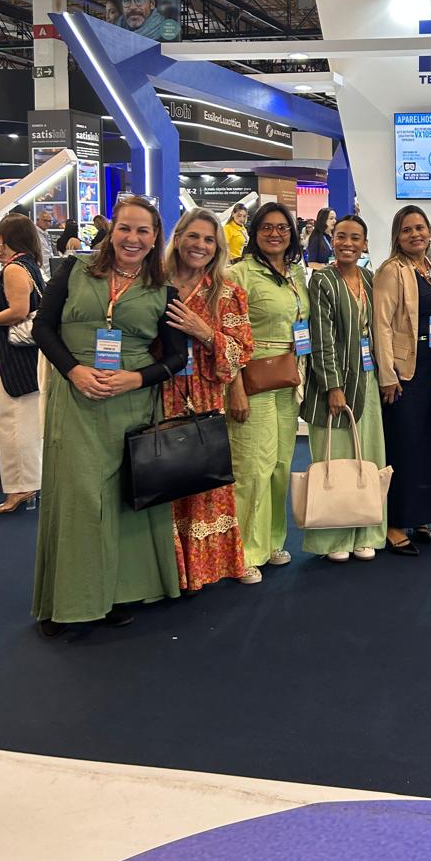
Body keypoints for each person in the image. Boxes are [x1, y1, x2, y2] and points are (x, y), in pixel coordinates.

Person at [31, 196, 187, 636]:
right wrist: (73, 370)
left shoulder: (164, 290)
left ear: (155, 238)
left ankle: (115, 593)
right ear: (110, 230)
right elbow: (43, 327)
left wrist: (135, 379)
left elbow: (177, 357)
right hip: (76, 397)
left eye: (143, 231)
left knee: (123, 502)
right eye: (125, 228)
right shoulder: (74, 270)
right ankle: (66, 601)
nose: (132, 238)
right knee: (76, 498)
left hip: (131, 402)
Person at [162, 210, 253, 591]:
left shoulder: (227, 292)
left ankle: (202, 571)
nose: (200, 245)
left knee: (203, 481)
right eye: (193, 236)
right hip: (156, 395)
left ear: (218, 247)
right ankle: (163, 574)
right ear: (178, 237)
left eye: (209, 239)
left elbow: (240, 351)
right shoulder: (153, 284)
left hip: (203, 397)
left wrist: (203, 331)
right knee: (157, 476)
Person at [229, 204, 309, 582]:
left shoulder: (295, 274)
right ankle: (244, 550)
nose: (275, 234)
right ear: (254, 232)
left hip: (287, 379)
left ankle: (273, 541)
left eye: (282, 228)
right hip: (253, 379)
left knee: (279, 465)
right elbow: (227, 335)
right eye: (266, 227)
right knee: (251, 468)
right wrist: (235, 387)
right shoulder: (239, 274)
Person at [302, 215, 387, 561]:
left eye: (355, 237)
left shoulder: (369, 278)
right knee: (334, 459)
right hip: (334, 385)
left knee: (367, 456)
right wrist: (332, 386)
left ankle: (365, 529)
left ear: (365, 243)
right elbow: (320, 338)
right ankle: (334, 537)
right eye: (340, 236)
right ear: (331, 239)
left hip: (367, 379)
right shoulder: (322, 280)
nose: (347, 243)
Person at [373, 206, 431, 554]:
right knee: (403, 446)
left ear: (430, 232)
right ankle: (394, 522)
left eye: (420, 228)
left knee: (427, 446)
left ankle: (421, 514)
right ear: (397, 236)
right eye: (407, 230)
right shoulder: (392, 270)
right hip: (405, 372)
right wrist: (387, 375)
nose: (415, 234)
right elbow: (381, 325)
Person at [0, 216, 44, 514]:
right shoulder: (29, 265)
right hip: (25, 356)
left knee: (14, 422)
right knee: (20, 421)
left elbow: (19, 311)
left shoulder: (14, 269)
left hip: (17, 357)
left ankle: (23, 487)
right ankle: (27, 483)